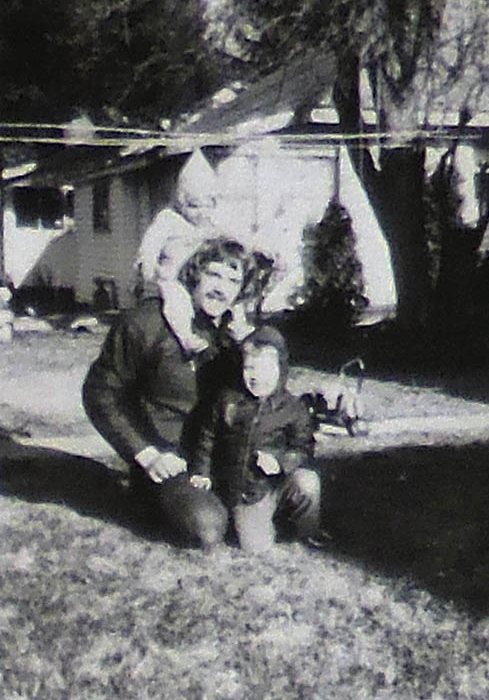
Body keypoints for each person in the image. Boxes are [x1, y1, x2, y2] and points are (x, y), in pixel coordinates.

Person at [83, 237, 252, 550]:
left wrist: (248, 345)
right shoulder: (145, 322)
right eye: (214, 275)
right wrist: (147, 455)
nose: (221, 288)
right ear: (194, 273)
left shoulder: (232, 332)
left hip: (217, 457)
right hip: (168, 460)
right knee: (208, 527)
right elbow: (99, 393)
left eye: (233, 280)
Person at [189, 326, 321, 553]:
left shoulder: (292, 408)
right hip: (245, 493)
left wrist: (280, 462)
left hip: (276, 484)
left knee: (308, 482)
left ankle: (304, 533)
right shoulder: (228, 400)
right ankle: (255, 522)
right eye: (249, 368)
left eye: (264, 370)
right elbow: (207, 437)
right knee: (256, 547)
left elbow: (303, 447)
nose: (255, 377)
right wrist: (201, 471)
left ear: (280, 370)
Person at [135, 149, 251, 353]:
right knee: (177, 300)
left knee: (231, 293)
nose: (201, 213)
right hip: (173, 276)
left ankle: (239, 327)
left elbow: (233, 233)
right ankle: (186, 336)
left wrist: (253, 245)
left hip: (200, 277)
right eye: (194, 206)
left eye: (208, 206)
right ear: (181, 201)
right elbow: (151, 241)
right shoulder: (170, 219)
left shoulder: (211, 221)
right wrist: (148, 260)